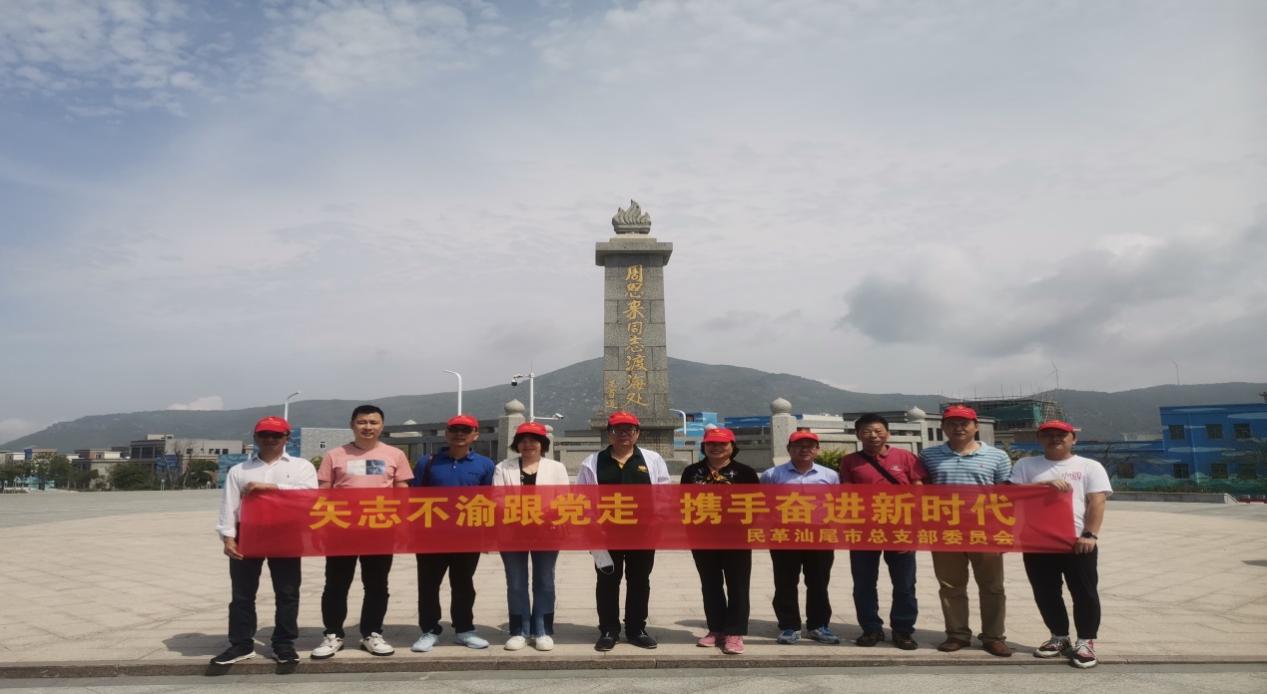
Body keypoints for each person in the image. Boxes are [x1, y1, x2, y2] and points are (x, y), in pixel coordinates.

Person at [212, 415, 318, 665]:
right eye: (264, 434)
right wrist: (228, 538)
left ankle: (284, 643)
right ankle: (241, 644)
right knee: (242, 593)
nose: (270, 439)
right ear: (255, 437)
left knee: (287, 592)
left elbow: (311, 496)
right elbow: (229, 505)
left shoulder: (301, 467)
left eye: (276, 435)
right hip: (248, 533)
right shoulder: (239, 470)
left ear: (287, 438)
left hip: (286, 532)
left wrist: (274, 488)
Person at [310, 404, 413, 659]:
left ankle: (372, 633)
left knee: (377, 584)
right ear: (352, 425)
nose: (368, 427)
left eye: (373, 422)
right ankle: (333, 634)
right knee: (336, 584)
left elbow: (402, 492)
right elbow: (323, 493)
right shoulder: (335, 455)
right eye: (362, 422)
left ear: (382, 426)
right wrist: (319, 526)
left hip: (380, 529)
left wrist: (402, 526)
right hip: (341, 529)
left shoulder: (395, 454)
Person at [1010, 420, 1112, 669]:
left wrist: (1090, 534)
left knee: (1084, 592)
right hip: (1037, 541)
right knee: (1045, 592)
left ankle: (1085, 641)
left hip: (1076, 541)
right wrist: (1043, 484)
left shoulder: (1089, 466)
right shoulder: (1026, 465)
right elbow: (1011, 494)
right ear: (1039, 439)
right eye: (1048, 435)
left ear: (1073, 439)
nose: (1054, 438)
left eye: (1061, 435)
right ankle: (1059, 636)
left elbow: (1097, 501)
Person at [919, 404, 1014, 657]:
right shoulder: (928, 456)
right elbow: (921, 492)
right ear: (943, 427)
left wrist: (1006, 532)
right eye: (951, 423)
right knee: (951, 586)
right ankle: (957, 634)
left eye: (964, 423)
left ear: (975, 426)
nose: (958, 428)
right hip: (945, 532)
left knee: (993, 587)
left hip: (986, 531)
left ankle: (994, 636)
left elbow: (1006, 497)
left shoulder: (997, 456)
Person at [576, 411, 672, 651]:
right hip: (606, 534)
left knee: (639, 581)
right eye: (617, 430)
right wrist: (590, 528)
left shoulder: (652, 459)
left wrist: (658, 522)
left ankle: (636, 629)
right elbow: (581, 498)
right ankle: (609, 630)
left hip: (643, 533)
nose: (624, 434)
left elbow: (664, 493)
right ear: (609, 434)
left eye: (629, 429)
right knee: (607, 581)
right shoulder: (592, 462)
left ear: (637, 433)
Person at [840, 413, 926, 650]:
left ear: (887, 433)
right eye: (867, 431)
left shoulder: (905, 457)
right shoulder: (849, 461)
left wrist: (916, 523)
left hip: (901, 529)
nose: (873, 436)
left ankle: (903, 630)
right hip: (864, 530)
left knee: (904, 583)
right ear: (858, 435)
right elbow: (846, 494)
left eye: (878, 431)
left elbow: (919, 489)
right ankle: (871, 628)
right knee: (864, 583)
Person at [410, 413, 496, 652]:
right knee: (428, 586)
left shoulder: (485, 465)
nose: (459, 434)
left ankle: (464, 629)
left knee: (463, 585)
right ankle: (429, 630)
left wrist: (487, 535)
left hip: (468, 536)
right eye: (454, 430)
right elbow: (414, 498)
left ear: (475, 435)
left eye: (465, 430)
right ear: (446, 434)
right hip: (431, 537)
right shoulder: (427, 462)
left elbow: (489, 501)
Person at [680, 427, 759, 655]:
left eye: (722, 444)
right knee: (710, 584)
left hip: (736, 538)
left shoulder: (745, 473)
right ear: (704, 446)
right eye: (711, 444)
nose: (716, 448)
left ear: (732, 447)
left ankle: (735, 632)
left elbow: (757, 505)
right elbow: (683, 503)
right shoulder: (691, 472)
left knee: (738, 584)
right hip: (702, 537)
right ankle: (716, 629)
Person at [492, 421, 570, 652]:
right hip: (512, 532)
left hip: (547, 531)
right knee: (516, 582)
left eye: (533, 440)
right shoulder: (503, 467)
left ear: (542, 444)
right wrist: (525, 512)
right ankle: (520, 630)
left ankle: (542, 629)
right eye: (523, 441)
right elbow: (497, 498)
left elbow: (564, 498)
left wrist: (544, 513)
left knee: (544, 581)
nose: (528, 445)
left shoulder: (556, 468)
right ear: (517, 444)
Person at [759, 430, 842, 645]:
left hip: (820, 534)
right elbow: (763, 503)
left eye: (809, 446)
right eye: (798, 446)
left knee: (818, 582)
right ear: (789, 449)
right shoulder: (772, 475)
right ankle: (789, 626)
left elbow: (838, 503)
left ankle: (818, 625)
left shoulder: (830, 475)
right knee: (785, 582)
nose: (804, 450)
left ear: (817, 450)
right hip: (784, 534)